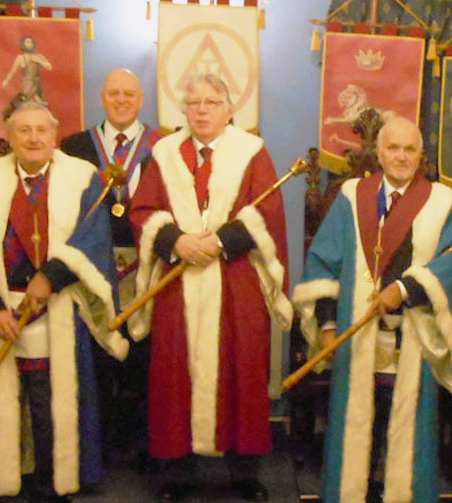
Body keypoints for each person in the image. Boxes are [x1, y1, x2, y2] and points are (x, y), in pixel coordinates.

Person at [127, 73, 292, 502]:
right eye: (194, 102)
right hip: (175, 283)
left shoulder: (251, 152)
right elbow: (143, 210)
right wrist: (176, 241)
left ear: (229, 109)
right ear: (183, 109)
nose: (202, 110)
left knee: (243, 370)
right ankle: (176, 474)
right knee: (173, 374)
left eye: (212, 102)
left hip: (235, 279)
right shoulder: (162, 153)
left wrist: (219, 243)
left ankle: (244, 473)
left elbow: (267, 211)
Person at [0, 102, 128, 501]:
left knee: (53, 402)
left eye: (41, 131)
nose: (33, 139)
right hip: (3, 309)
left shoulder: (83, 177)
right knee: (8, 403)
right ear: (10, 137)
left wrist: (50, 277)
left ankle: (54, 482)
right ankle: (7, 478)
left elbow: (92, 238)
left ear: (55, 136)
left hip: (61, 307)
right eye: (24, 131)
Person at [294, 118, 452, 503]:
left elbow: (451, 264)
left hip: (413, 334)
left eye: (409, 149)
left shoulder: (441, 203)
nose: (401, 156)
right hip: (356, 333)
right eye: (393, 148)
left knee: (408, 427)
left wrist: (403, 289)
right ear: (379, 153)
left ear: (420, 155)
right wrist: (326, 326)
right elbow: (324, 263)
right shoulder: (351, 197)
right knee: (355, 426)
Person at [59, 69, 164, 466]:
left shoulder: (164, 146)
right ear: (102, 97)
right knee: (97, 355)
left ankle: (143, 447)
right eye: (114, 93)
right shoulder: (73, 146)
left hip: (146, 265)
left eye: (129, 94)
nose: (122, 100)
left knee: (144, 357)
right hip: (93, 265)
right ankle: (100, 445)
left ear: (141, 99)